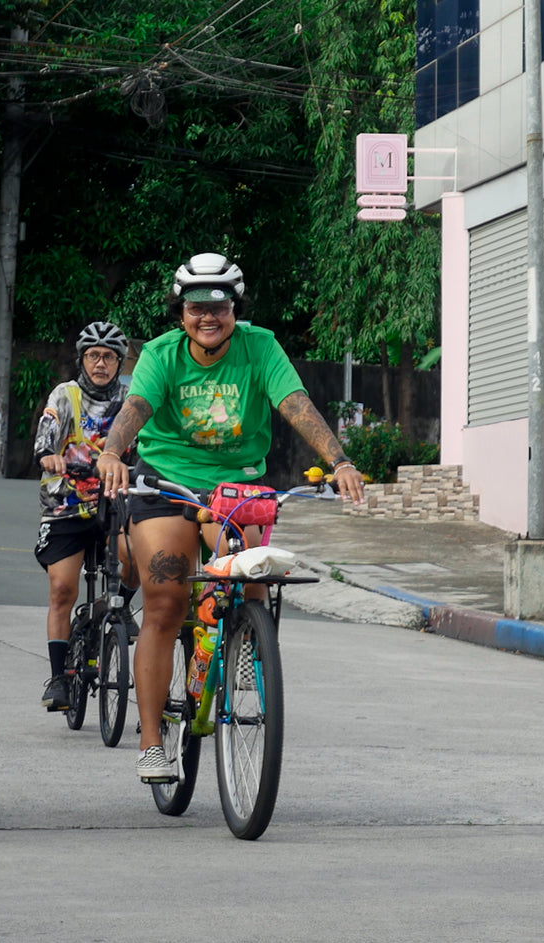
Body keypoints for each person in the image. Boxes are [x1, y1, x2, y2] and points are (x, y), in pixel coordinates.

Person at [95, 253, 365, 782]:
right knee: (167, 599)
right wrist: (111, 451)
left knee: (252, 576)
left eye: (219, 305)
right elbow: (137, 409)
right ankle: (152, 743)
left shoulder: (260, 346)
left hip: (236, 486)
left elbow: (295, 404)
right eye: (197, 306)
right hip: (168, 484)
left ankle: (245, 638)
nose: (208, 316)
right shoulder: (159, 353)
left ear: (234, 308)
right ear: (181, 312)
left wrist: (340, 460)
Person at [34, 321, 139, 711]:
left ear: (119, 362)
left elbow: (144, 445)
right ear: (82, 359)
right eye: (93, 356)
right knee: (63, 588)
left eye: (108, 356)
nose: (100, 364)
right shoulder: (66, 395)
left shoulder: (131, 400)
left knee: (139, 558)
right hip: (66, 504)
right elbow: (46, 435)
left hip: (115, 502)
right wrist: (50, 454)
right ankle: (59, 678)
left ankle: (119, 607)